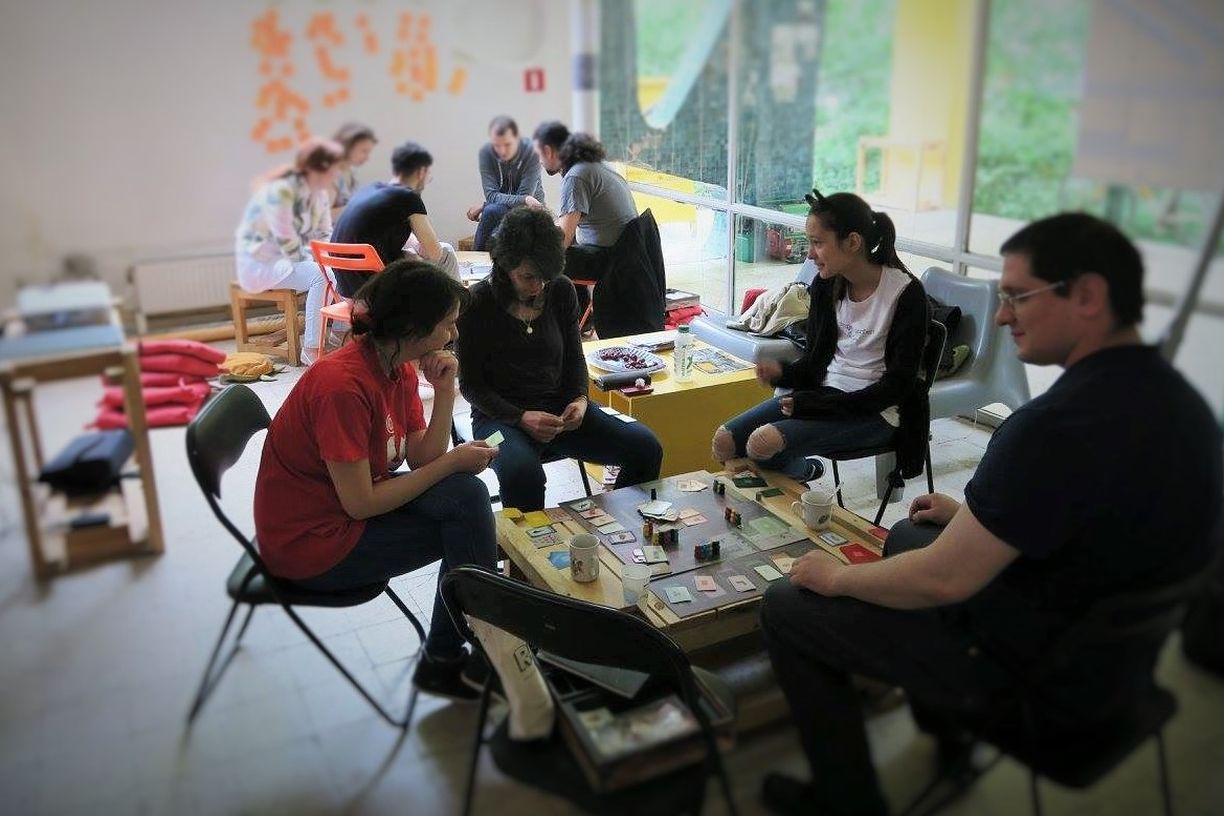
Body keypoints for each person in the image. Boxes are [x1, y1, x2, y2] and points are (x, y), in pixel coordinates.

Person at [757, 212, 1223, 816]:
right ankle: (948, 740)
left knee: (790, 604)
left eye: (1017, 297)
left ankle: (847, 802)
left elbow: (943, 582)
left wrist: (836, 578)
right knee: (910, 531)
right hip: (1114, 670)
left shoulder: (1049, 429)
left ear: (1087, 295)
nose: (1001, 317)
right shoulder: (1186, 409)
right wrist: (978, 520)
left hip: (1032, 687)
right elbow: (1112, 520)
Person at [253, 259, 502, 701]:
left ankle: (471, 647)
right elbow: (362, 504)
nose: (453, 335)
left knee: (466, 496)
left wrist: (445, 391)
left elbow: (423, 455)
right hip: (310, 544)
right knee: (466, 524)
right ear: (412, 328)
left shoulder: (395, 365)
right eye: (447, 325)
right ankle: (472, 650)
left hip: (343, 512)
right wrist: (451, 464)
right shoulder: (342, 387)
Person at [712, 189, 928, 484]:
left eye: (817, 243)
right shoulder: (826, 285)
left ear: (852, 242)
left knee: (762, 444)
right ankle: (804, 472)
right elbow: (816, 361)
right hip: (826, 397)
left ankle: (791, 487)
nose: (810, 254)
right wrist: (783, 373)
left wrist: (816, 405)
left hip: (880, 412)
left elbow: (896, 388)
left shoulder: (906, 294)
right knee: (725, 440)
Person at [456, 206, 663, 511]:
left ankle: (624, 525)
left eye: (545, 277)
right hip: (497, 421)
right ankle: (526, 544)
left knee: (645, 447)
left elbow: (574, 358)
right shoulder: (477, 303)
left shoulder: (561, 290)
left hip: (559, 413)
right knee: (521, 473)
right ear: (504, 264)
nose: (538, 286)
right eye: (528, 277)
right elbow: (471, 386)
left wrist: (580, 399)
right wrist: (521, 417)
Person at [235, 137, 343, 365]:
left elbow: (324, 233)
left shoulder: (320, 194)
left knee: (338, 266)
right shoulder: (281, 192)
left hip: (294, 255)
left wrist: (333, 254)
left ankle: (340, 334)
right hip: (263, 261)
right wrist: (321, 257)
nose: (336, 175)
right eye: (333, 168)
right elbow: (286, 242)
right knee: (321, 275)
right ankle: (311, 349)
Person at [330, 140, 460, 300]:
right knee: (446, 253)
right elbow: (435, 253)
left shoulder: (370, 190)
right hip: (376, 292)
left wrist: (415, 247)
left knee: (410, 257)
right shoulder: (408, 197)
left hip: (346, 290)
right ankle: (457, 311)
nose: (430, 179)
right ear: (421, 172)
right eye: (429, 174)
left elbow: (382, 234)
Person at [532, 121, 638, 316]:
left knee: (537, 258)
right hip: (626, 254)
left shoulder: (576, 176)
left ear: (548, 151)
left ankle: (549, 321)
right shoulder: (594, 165)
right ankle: (581, 314)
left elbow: (561, 241)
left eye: (539, 155)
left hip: (611, 259)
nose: (539, 161)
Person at [466, 115, 545, 250]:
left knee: (490, 211)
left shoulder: (531, 154)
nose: (502, 151)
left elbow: (523, 202)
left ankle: (476, 257)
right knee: (492, 213)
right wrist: (524, 199)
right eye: (497, 145)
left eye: (507, 145)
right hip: (503, 209)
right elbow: (492, 195)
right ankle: (477, 258)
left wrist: (484, 206)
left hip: (531, 211)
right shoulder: (486, 154)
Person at [330, 121, 378, 220]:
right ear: (347, 146)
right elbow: (322, 217)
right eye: (364, 151)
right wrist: (360, 208)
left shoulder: (351, 171)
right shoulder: (329, 175)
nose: (367, 158)